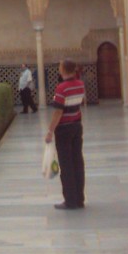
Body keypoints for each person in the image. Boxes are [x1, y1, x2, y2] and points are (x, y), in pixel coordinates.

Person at [45, 58, 86, 210]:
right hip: (76, 126)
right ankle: (80, 198)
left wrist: (50, 131)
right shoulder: (80, 84)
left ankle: (70, 200)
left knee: (66, 165)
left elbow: (58, 112)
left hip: (64, 129)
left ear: (63, 70)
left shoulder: (62, 88)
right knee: (77, 162)